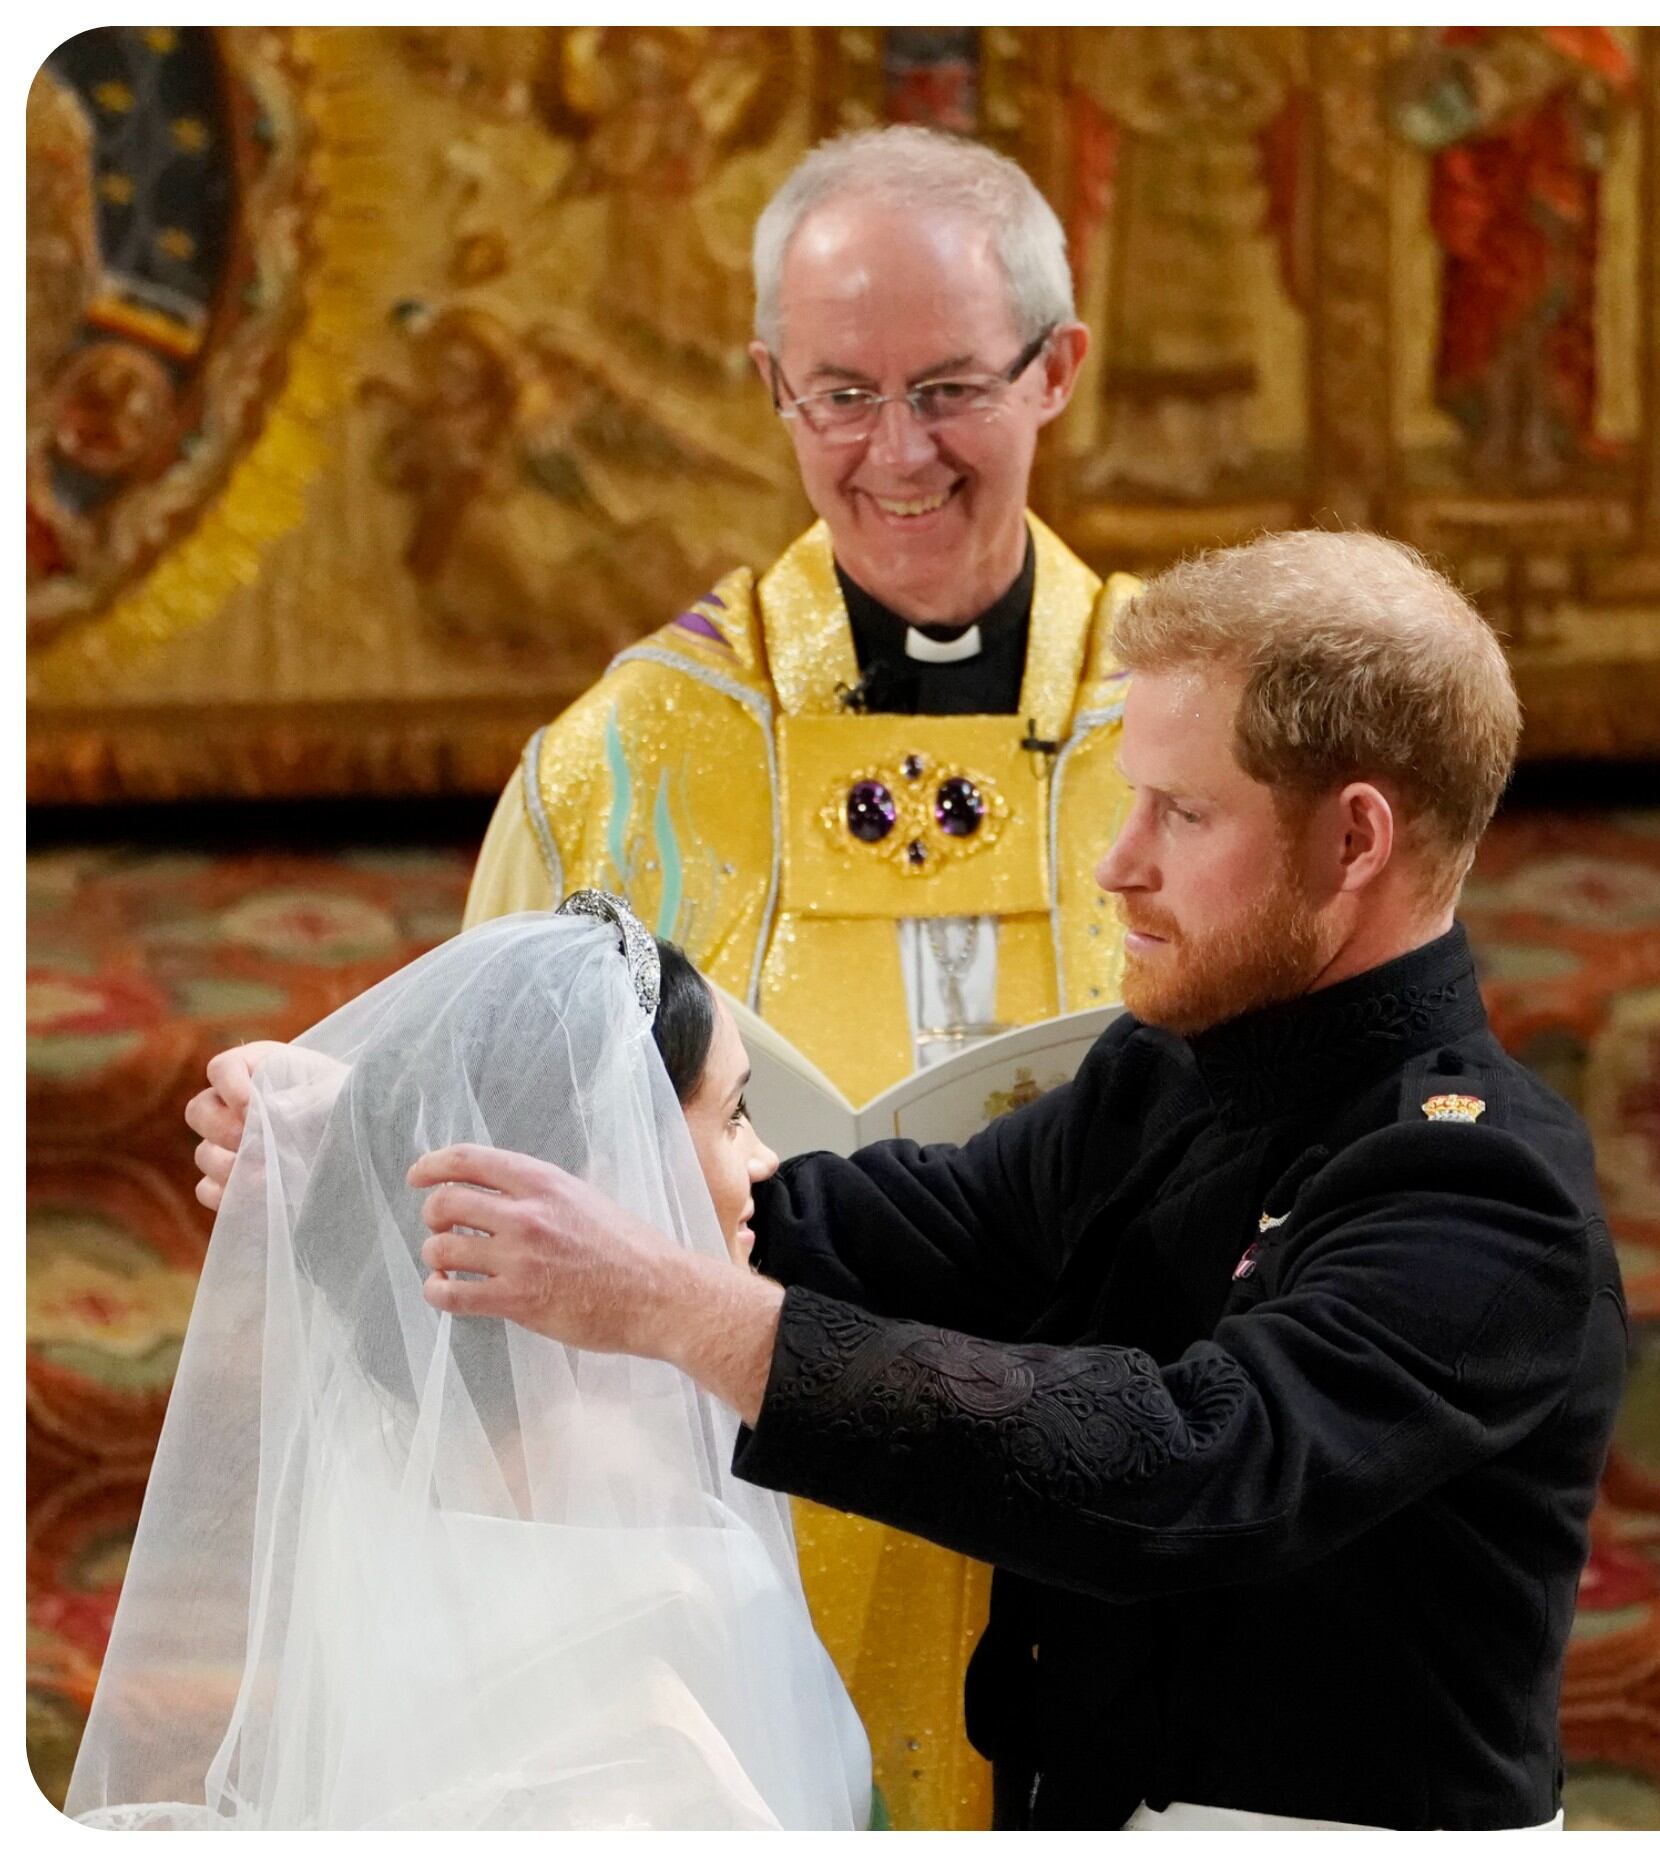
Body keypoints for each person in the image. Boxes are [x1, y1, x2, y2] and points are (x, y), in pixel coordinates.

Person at [191, 531, 1629, 1830]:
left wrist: (680, 1307)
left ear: (1356, 839)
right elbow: (911, 1232)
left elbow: (1188, 1465)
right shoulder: (1175, 1069)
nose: (1118, 864)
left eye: (1182, 816)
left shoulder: (1481, 1188)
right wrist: (389, 1138)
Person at [466, 122, 1142, 1828]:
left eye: (949, 390)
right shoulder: (620, 765)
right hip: (741, 1515)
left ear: (1056, 370)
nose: (896, 451)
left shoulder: (1196, 724)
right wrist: (320, 1128)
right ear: (772, 385)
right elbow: (487, 1140)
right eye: (840, 394)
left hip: (1123, 1502)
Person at [82, 894, 868, 1829]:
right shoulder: (660, 1573)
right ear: (608, 1164)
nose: (769, 1158)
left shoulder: (422, 1459)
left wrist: (374, 1147)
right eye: (733, 1114)